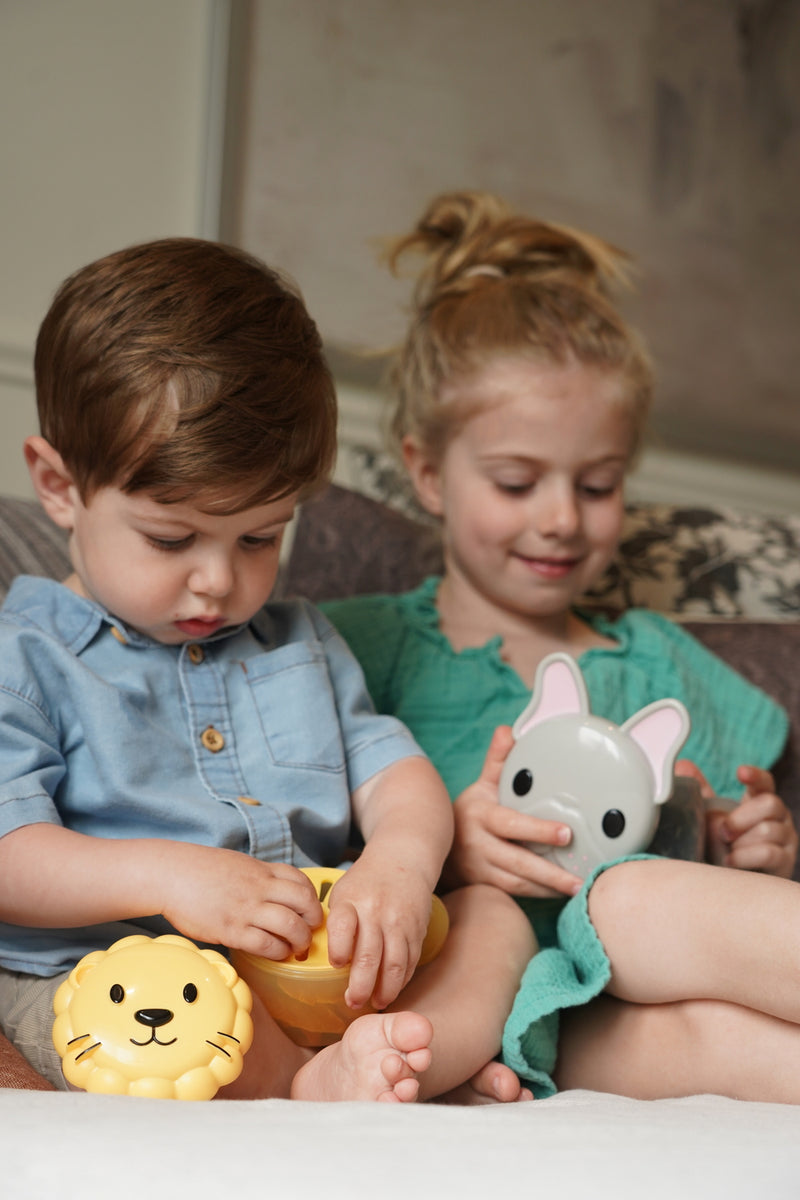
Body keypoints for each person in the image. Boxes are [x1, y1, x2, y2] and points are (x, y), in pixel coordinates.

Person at [0, 237, 537, 1104]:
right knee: (158, 1028)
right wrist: (167, 877)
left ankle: (404, 1060)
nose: (219, 579)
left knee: (491, 919)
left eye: (260, 536)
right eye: (172, 539)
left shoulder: (300, 641)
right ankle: (329, 1085)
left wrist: (399, 863)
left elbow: (392, 768)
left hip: (316, 969)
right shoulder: (25, 656)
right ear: (59, 486)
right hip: (129, 983)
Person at [322, 190, 800, 1103]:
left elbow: (724, 836)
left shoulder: (658, 661)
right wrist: (442, 845)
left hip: (640, 978)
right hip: (516, 1011)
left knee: (630, 899)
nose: (559, 520)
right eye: (516, 481)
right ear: (426, 470)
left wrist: (758, 846)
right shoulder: (362, 645)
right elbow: (284, 818)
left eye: (597, 485)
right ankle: (405, 1068)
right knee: (597, 921)